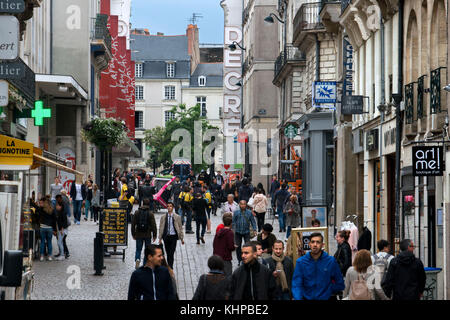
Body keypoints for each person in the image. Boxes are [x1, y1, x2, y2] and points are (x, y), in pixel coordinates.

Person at [292, 232, 345, 300]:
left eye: (318, 242)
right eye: (313, 242)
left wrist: (328, 289)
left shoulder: (331, 261)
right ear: (309, 244)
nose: (315, 244)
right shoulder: (301, 262)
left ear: (322, 245)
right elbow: (296, 284)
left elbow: (340, 283)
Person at [132, 198, 157, 269]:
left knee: (138, 249)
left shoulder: (137, 212)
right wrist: (154, 235)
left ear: (142, 203)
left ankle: (137, 259)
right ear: (149, 204)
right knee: (147, 250)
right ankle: (145, 264)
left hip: (139, 234)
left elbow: (133, 224)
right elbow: (153, 225)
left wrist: (133, 234)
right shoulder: (150, 213)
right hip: (147, 234)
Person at [158, 202, 184, 269]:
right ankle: (169, 266)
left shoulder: (177, 217)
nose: (169, 207)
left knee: (171, 253)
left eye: (170, 206)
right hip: (166, 237)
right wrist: (160, 238)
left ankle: (170, 267)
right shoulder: (163, 217)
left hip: (173, 237)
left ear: (173, 207)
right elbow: (161, 227)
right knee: (167, 252)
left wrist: (181, 238)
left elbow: (180, 227)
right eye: (168, 206)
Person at [232, 200, 257, 266]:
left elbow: (253, 221)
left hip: (246, 232)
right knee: (238, 247)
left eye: (244, 204)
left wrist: (255, 229)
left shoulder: (249, 213)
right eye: (241, 204)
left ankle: (247, 259)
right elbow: (233, 222)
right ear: (239, 205)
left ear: (246, 205)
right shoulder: (236, 212)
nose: (243, 205)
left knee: (248, 246)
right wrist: (233, 230)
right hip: (238, 232)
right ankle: (239, 260)